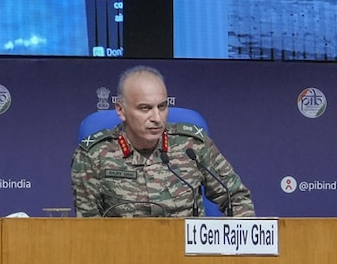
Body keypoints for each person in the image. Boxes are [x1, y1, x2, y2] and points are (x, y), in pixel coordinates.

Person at [71, 66, 255, 217]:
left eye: (162, 106)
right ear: (121, 110)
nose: (157, 118)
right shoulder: (92, 155)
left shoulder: (192, 146)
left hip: (185, 248)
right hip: (124, 248)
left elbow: (236, 197)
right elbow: (88, 228)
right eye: (145, 108)